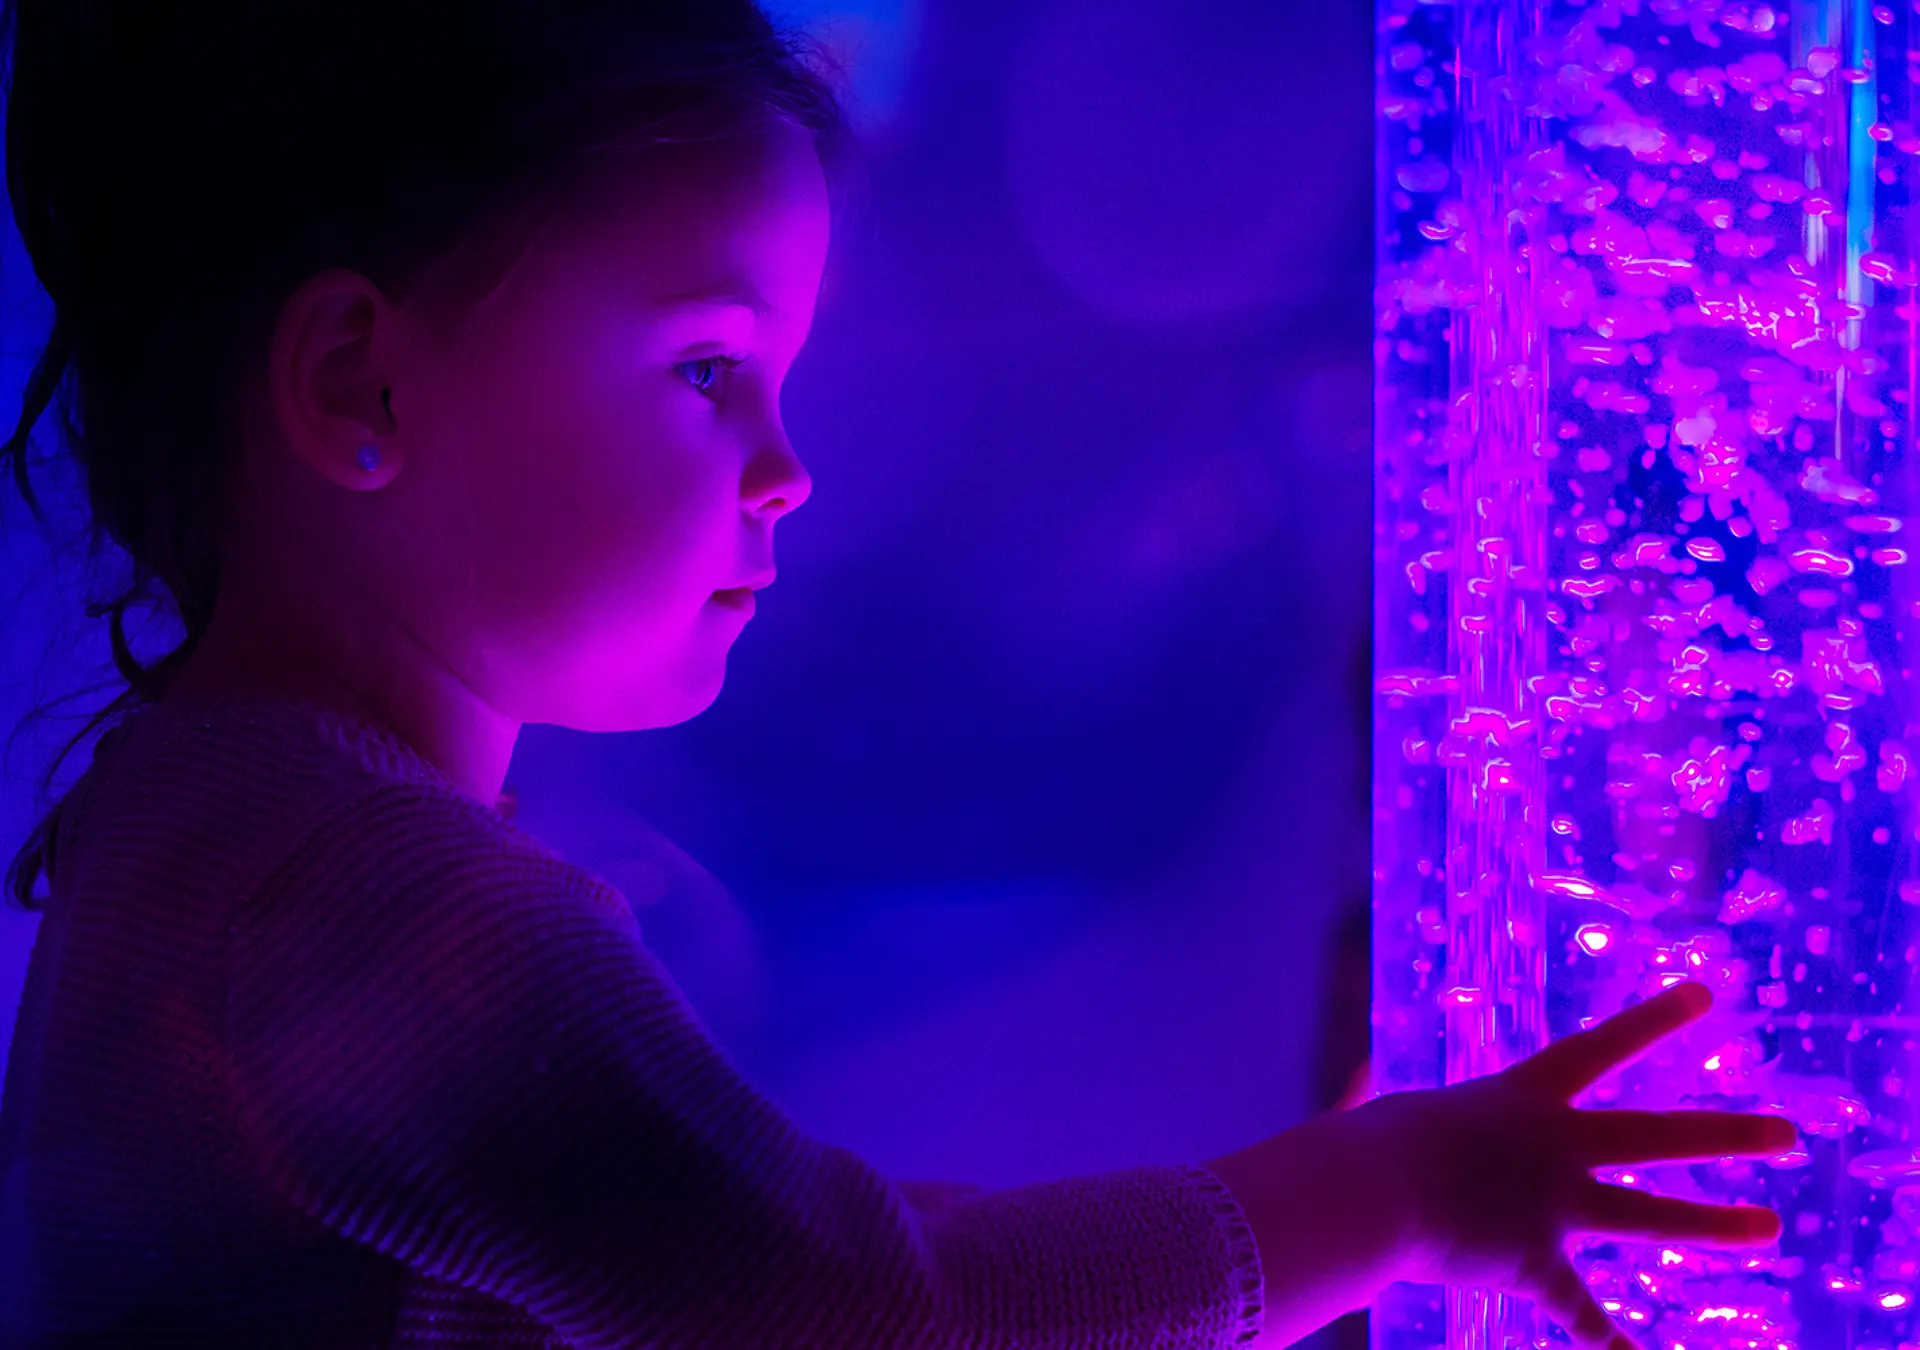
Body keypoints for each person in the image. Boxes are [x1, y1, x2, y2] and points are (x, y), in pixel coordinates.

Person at [0, 4, 1797, 1348]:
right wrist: (1403, 1192)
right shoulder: (375, 907)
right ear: (359, 389)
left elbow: (764, 1242)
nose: (785, 469)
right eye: (708, 369)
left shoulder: (204, 828)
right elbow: (873, 1319)